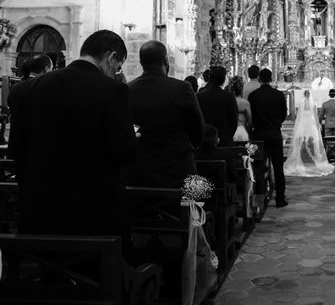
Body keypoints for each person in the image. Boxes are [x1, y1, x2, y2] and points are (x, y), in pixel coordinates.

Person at [9, 30, 136, 240]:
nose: (115, 73)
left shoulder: (27, 89)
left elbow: (17, 150)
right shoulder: (114, 91)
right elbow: (124, 153)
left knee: (47, 270)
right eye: (118, 66)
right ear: (111, 57)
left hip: (39, 217)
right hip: (94, 220)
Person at [127, 41, 204, 188]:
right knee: (200, 194)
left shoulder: (127, 90)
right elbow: (198, 129)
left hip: (139, 174)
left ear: (141, 62)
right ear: (166, 60)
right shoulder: (182, 88)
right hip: (177, 172)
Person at [248, 68, 289, 207]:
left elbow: (251, 116)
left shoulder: (253, 96)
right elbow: (284, 113)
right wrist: (276, 123)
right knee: (278, 167)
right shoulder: (278, 95)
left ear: (259, 79)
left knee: (258, 167)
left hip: (258, 134)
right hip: (274, 133)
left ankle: (259, 201)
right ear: (271, 79)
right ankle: (280, 199)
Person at [284, 90, 335, 177]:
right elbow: (315, 114)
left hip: (304, 121)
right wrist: (317, 124)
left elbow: (299, 115)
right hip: (310, 121)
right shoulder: (313, 103)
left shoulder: (301, 102)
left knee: (303, 139)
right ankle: (310, 160)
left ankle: (303, 159)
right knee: (312, 139)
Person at [197, 65, 238, 147]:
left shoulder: (199, 96)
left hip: (204, 140)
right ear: (223, 80)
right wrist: (228, 134)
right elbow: (234, 120)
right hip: (224, 138)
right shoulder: (228, 96)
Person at [228, 75, 252, 142]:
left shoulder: (227, 101)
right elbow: (249, 122)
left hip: (229, 132)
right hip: (242, 131)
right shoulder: (244, 103)